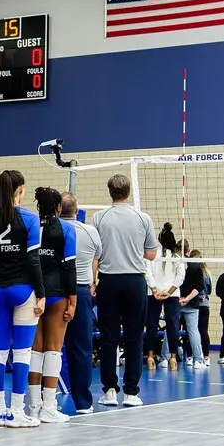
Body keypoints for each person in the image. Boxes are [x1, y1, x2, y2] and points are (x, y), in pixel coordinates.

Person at [0, 170, 45, 428]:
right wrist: (41, 294)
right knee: (22, 352)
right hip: (22, 291)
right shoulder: (30, 220)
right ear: (20, 191)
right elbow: (33, 260)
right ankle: (17, 411)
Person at [91, 174, 157, 408]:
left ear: (110, 192)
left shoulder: (98, 218)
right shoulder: (143, 218)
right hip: (134, 282)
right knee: (134, 336)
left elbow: (95, 255)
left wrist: (92, 282)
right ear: (128, 191)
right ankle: (131, 393)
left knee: (108, 337)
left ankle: (109, 391)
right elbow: (151, 254)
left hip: (108, 281)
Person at [25, 187, 76, 423]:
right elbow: (69, 267)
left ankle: (33, 405)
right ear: (58, 208)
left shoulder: (31, 225)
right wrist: (73, 300)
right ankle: (49, 406)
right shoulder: (66, 229)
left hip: (33, 293)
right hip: (57, 294)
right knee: (53, 350)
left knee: (35, 350)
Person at [60, 194, 101, 415]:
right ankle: (83, 402)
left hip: (55, 293)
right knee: (82, 348)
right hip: (82, 289)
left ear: (58, 209)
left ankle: (45, 401)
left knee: (48, 348)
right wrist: (92, 282)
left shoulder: (50, 229)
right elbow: (96, 258)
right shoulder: (90, 231)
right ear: (77, 211)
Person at [143, 222, 185, 371]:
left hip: (153, 293)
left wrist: (154, 290)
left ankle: (150, 356)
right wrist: (170, 291)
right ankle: (173, 358)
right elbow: (181, 277)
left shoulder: (153, 254)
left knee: (151, 326)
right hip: (172, 295)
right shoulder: (177, 255)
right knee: (173, 327)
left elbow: (147, 272)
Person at [178, 243, 206, 370]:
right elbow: (200, 286)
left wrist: (179, 298)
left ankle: (164, 359)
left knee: (171, 330)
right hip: (191, 304)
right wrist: (188, 298)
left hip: (175, 302)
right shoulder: (196, 267)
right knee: (193, 331)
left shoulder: (172, 263)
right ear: (188, 251)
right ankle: (198, 360)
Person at [193, 250, 212, 365]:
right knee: (203, 331)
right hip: (204, 305)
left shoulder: (189, 271)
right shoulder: (207, 272)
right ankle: (206, 357)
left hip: (193, 304)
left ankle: (190, 357)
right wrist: (204, 294)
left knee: (191, 331)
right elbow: (209, 289)